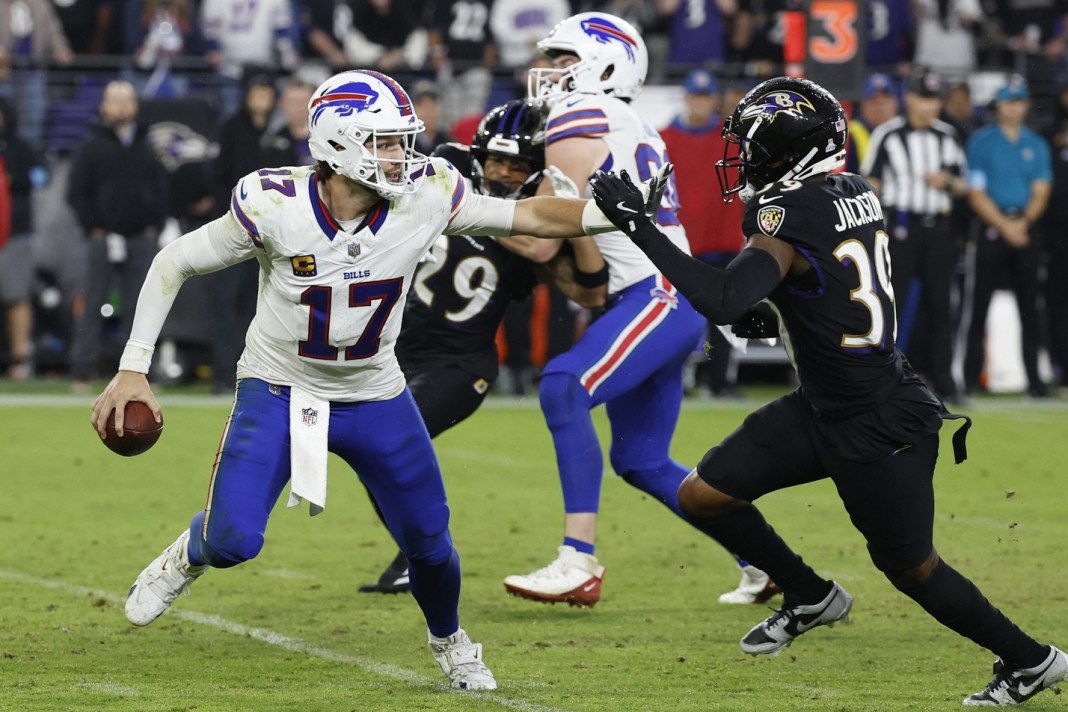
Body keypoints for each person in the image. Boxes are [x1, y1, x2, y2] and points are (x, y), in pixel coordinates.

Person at [90, 69, 655, 690]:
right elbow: (174, 261)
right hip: (280, 387)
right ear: (337, 143)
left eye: (400, 141)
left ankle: (452, 640)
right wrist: (133, 368)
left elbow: (524, 216)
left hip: (374, 392)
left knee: (430, 541)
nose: (400, 155)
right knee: (233, 541)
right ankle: (190, 552)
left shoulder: (427, 192)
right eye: (384, 142)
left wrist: (604, 214)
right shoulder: (274, 203)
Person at [588, 74, 1067, 707]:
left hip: (878, 421)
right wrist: (773, 312)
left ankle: (1032, 660)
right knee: (704, 495)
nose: (749, 159)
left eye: (759, 148)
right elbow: (812, 288)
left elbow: (724, 295)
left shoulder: (787, 212)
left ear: (793, 153)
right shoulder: (852, 189)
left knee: (911, 569)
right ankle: (809, 592)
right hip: (826, 402)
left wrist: (637, 225)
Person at [501, 12, 766, 609]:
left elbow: (544, 236)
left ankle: (578, 558)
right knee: (641, 458)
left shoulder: (582, 112)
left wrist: (458, 207)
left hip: (658, 294)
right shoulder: (632, 123)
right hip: (655, 296)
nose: (550, 73)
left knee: (563, 384)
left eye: (565, 60)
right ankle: (771, 564)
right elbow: (590, 280)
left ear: (604, 63)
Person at [359, 98, 609, 594]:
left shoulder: (530, 221)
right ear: (478, 154)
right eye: (497, 159)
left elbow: (589, 289)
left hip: (460, 364)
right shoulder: (445, 173)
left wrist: (576, 210)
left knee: (388, 442)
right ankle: (417, 556)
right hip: (395, 352)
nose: (504, 171)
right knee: (370, 453)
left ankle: (429, 554)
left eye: (518, 165)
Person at [861, 68, 968, 403]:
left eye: (934, 100)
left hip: (938, 227)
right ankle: (882, 379)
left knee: (941, 306)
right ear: (909, 99)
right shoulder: (888, 134)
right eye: (923, 98)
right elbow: (870, 183)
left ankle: (945, 381)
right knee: (889, 307)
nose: (929, 107)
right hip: (900, 229)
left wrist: (947, 183)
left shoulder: (947, 135)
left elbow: (964, 185)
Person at [67, 80, 169, 388]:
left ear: (135, 105)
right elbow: (76, 192)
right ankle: (83, 368)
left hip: (140, 234)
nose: (122, 105)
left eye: (127, 98)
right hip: (103, 235)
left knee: (141, 305)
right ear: (104, 105)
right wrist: (93, 227)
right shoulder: (92, 144)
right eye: (115, 99)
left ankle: (138, 370)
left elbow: (162, 188)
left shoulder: (147, 144)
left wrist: (156, 223)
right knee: (94, 299)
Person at [961, 76, 1052, 398]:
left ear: (1026, 105)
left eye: (1018, 101)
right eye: (1008, 101)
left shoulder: (1036, 144)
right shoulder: (982, 141)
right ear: (998, 105)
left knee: (1031, 306)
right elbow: (976, 192)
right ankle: (969, 380)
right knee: (978, 305)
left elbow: (1042, 190)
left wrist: (1022, 222)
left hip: (1025, 227)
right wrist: (1005, 225)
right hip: (991, 227)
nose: (1013, 107)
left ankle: (1036, 382)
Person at [0, 98, 46, 380]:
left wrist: (13, 178)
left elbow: (42, 176)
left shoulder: (21, 147)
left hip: (15, 232)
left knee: (17, 295)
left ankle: (20, 359)